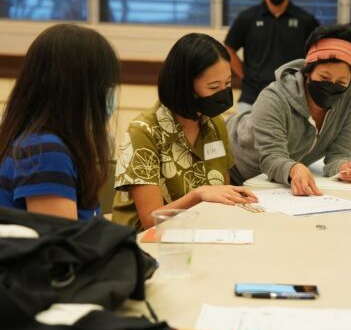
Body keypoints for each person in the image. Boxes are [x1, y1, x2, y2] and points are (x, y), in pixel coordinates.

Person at [111, 34, 256, 231]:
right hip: (145, 241)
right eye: (214, 86)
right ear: (185, 87)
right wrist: (198, 195)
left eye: (228, 83)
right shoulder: (144, 132)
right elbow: (150, 220)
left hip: (201, 231)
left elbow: (223, 193)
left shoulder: (215, 124)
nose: (223, 93)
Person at [226, 24, 351, 195]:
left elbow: (341, 152)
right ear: (308, 71)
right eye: (324, 77)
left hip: (270, 185)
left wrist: (344, 167)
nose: (331, 85)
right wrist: (293, 168)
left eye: (342, 82)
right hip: (232, 164)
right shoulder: (274, 97)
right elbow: (271, 157)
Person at [0, 24, 119, 220]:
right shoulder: (45, 151)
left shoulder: (43, 143)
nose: (109, 94)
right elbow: (64, 238)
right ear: (77, 90)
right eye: (105, 85)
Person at [224, 0, 320, 114]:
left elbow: (319, 50)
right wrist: (244, 75)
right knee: (241, 130)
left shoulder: (305, 20)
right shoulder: (247, 17)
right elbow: (228, 48)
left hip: (292, 98)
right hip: (252, 97)